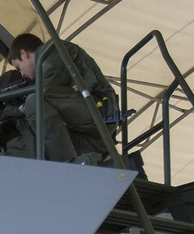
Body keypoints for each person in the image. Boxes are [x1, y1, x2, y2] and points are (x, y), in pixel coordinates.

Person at [6, 32, 118, 165]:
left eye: (19, 67)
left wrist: (17, 109)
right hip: (95, 115)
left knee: (34, 102)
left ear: (24, 53)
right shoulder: (51, 57)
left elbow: (46, 90)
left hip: (96, 108)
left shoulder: (51, 51)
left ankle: (65, 165)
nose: (22, 74)